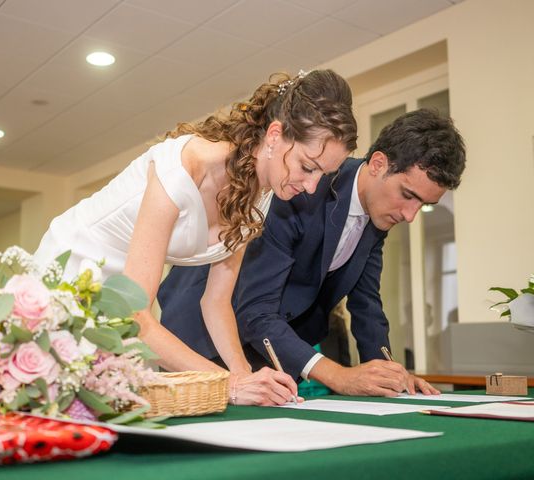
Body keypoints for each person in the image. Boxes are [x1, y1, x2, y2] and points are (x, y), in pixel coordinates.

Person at [34, 69, 358, 406]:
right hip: (75, 272)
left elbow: (216, 302)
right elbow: (135, 316)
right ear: (275, 134)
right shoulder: (182, 170)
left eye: (324, 175)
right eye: (308, 167)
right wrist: (227, 386)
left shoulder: (260, 194)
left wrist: (242, 372)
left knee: (114, 408)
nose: (311, 186)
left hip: (129, 301)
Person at [159, 109, 466, 397]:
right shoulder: (303, 185)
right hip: (202, 335)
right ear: (378, 164)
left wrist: (389, 375)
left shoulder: (378, 214)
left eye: (422, 204)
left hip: (268, 348)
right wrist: (340, 375)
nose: (411, 215)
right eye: (408, 195)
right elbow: (255, 310)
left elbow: (367, 304)